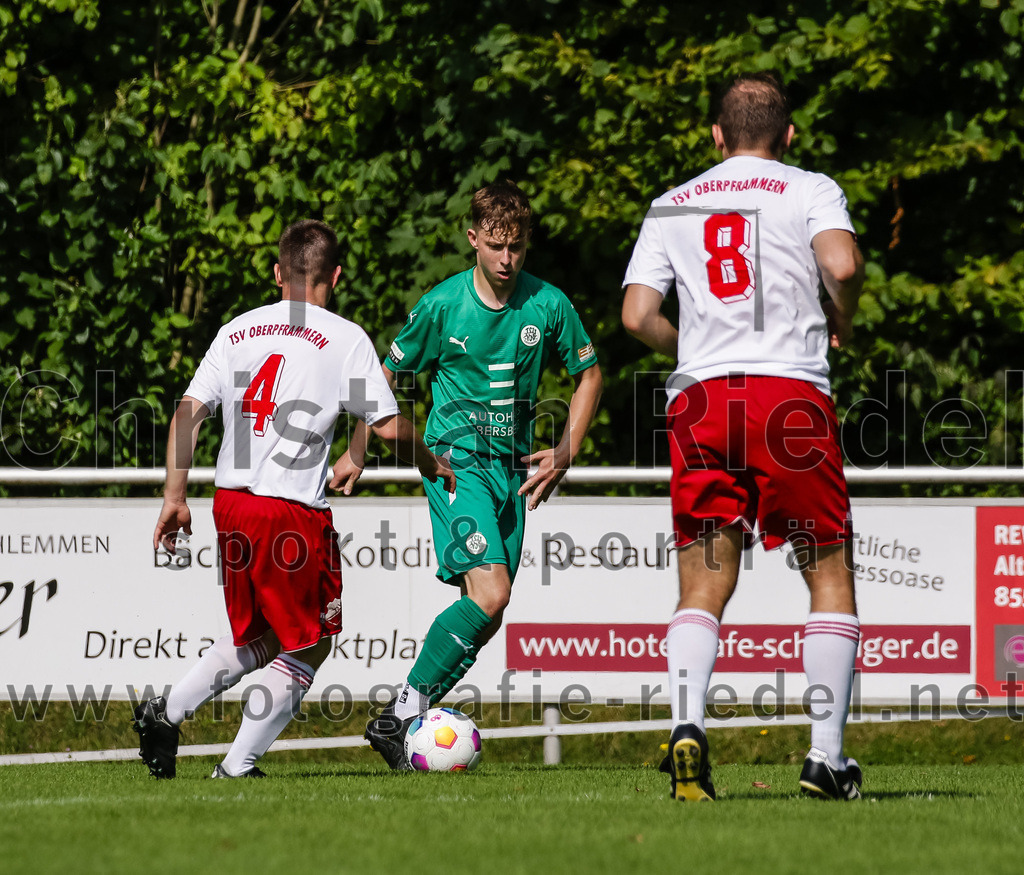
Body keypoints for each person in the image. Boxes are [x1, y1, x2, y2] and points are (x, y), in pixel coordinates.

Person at [133, 219, 454, 779]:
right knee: (310, 644)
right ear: (336, 275)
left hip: (231, 504)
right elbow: (384, 429)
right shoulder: (343, 337)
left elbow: (189, 413)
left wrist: (174, 495)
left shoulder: (237, 330)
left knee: (259, 636)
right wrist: (429, 460)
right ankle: (236, 766)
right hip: (290, 514)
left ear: (278, 273)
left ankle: (166, 711)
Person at [621, 73, 865, 801]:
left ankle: (688, 722)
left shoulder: (674, 202)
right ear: (788, 135)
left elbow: (636, 314)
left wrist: (688, 348)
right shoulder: (809, 187)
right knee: (826, 572)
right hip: (789, 396)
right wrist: (841, 316)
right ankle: (826, 757)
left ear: (716, 137)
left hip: (702, 400)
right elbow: (843, 263)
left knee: (703, 581)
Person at [334, 180, 603, 769]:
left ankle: (402, 718)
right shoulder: (442, 306)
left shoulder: (548, 304)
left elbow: (590, 376)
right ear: (473, 239)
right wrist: (358, 450)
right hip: (456, 465)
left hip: (513, 472)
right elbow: (384, 379)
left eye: (518, 247)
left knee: (489, 608)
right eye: (496, 246)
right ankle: (402, 714)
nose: (507, 260)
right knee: (492, 591)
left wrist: (566, 448)